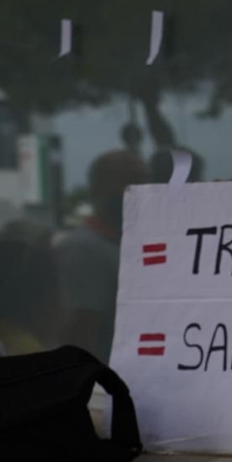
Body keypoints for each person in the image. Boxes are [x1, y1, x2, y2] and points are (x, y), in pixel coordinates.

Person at [52, 127, 148, 361]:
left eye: (144, 182)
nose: (138, 191)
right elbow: (79, 335)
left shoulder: (136, 245)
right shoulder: (83, 251)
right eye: (128, 182)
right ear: (97, 190)